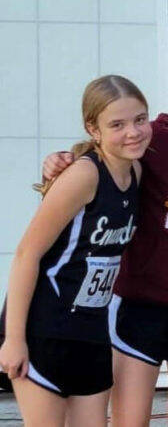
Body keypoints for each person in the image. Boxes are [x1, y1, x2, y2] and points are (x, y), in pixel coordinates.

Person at [41, 58, 168, 426]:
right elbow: (108, 155)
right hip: (141, 305)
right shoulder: (154, 138)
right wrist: (62, 161)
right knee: (130, 421)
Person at [1, 76, 151, 426]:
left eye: (140, 119)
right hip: (45, 329)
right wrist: (14, 339)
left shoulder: (136, 172)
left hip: (91, 331)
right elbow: (26, 255)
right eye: (117, 125)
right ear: (93, 129)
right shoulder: (84, 175)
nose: (133, 132)